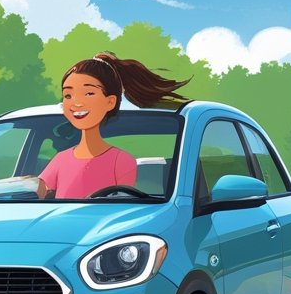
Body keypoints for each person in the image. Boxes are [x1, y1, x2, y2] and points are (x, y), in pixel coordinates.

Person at [38, 52, 189, 200]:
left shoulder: (121, 160)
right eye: (68, 95)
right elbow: (36, 193)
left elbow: (122, 209)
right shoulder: (60, 159)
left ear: (110, 101)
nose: (76, 103)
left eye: (89, 93)